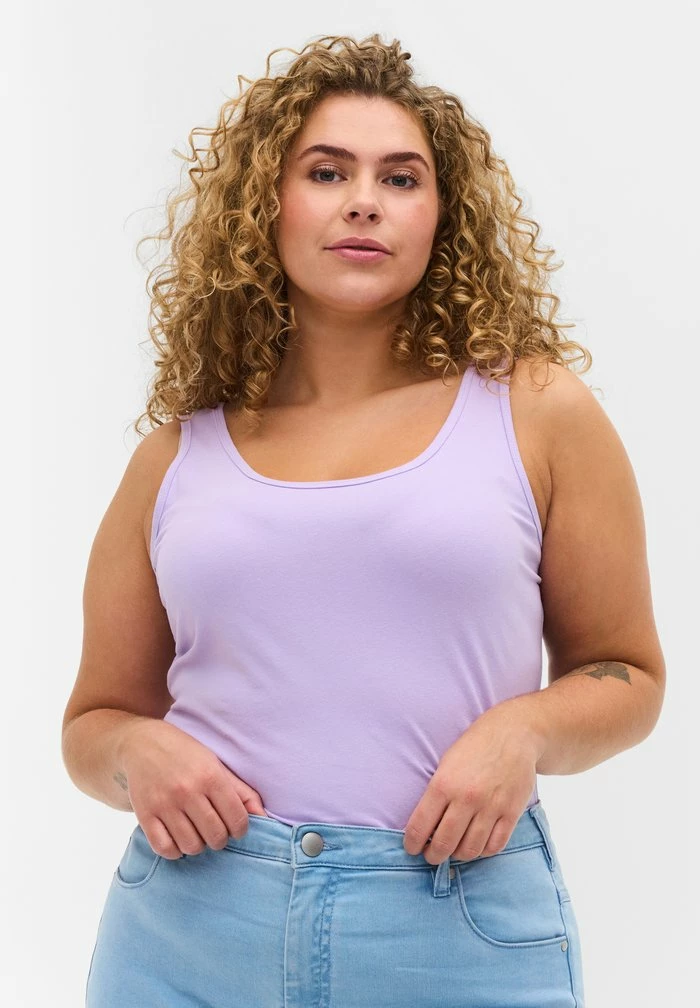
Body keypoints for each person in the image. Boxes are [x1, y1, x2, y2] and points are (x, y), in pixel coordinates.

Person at [62, 33, 665, 1008]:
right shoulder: (174, 457)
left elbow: (627, 672)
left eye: (401, 177)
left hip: (453, 927)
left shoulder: (536, 413)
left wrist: (523, 732)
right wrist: (134, 754)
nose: (364, 201)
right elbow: (93, 722)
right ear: (264, 204)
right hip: (188, 932)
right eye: (326, 171)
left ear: (442, 215)